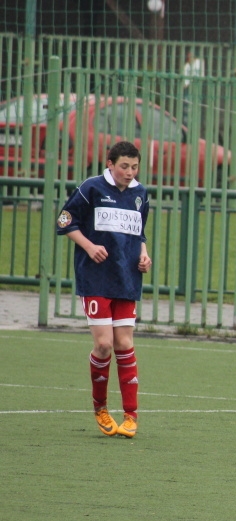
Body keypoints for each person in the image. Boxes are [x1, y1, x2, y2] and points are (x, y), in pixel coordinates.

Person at [56, 141, 151, 439]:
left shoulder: (140, 193)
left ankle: (131, 415)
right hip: (95, 278)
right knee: (104, 345)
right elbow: (65, 220)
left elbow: (139, 232)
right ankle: (101, 408)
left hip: (126, 278)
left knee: (124, 343)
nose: (129, 172)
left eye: (134, 167)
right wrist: (89, 245)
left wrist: (144, 254)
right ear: (109, 163)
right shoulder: (92, 188)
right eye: (124, 166)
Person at [181, 51, 203, 126]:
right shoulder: (187, 66)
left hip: (194, 90)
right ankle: (187, 127)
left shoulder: (197, 64)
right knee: (188, 110)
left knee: (194, 110)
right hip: (189, 90)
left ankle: (192, 127)